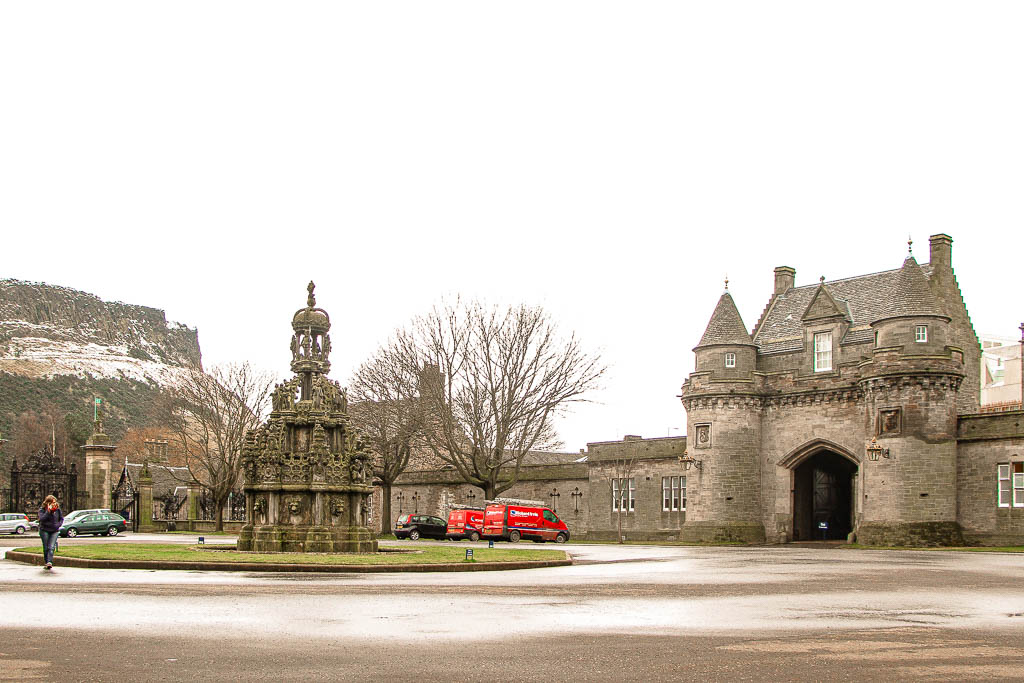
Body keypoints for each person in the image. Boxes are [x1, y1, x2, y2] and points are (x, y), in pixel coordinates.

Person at [38, 495, 63, 570]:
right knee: (46, 547)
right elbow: (42, 519)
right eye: (52, 502)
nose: (54, 504)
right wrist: (48, 511)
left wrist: (58, 525)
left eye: (55, 502)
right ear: (48, 503)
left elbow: (61, 519)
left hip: (54, 531)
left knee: (51, 547)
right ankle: (46, 562)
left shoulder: (57, 510)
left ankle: (49, 562)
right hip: (44, 530)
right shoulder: (42, 510)